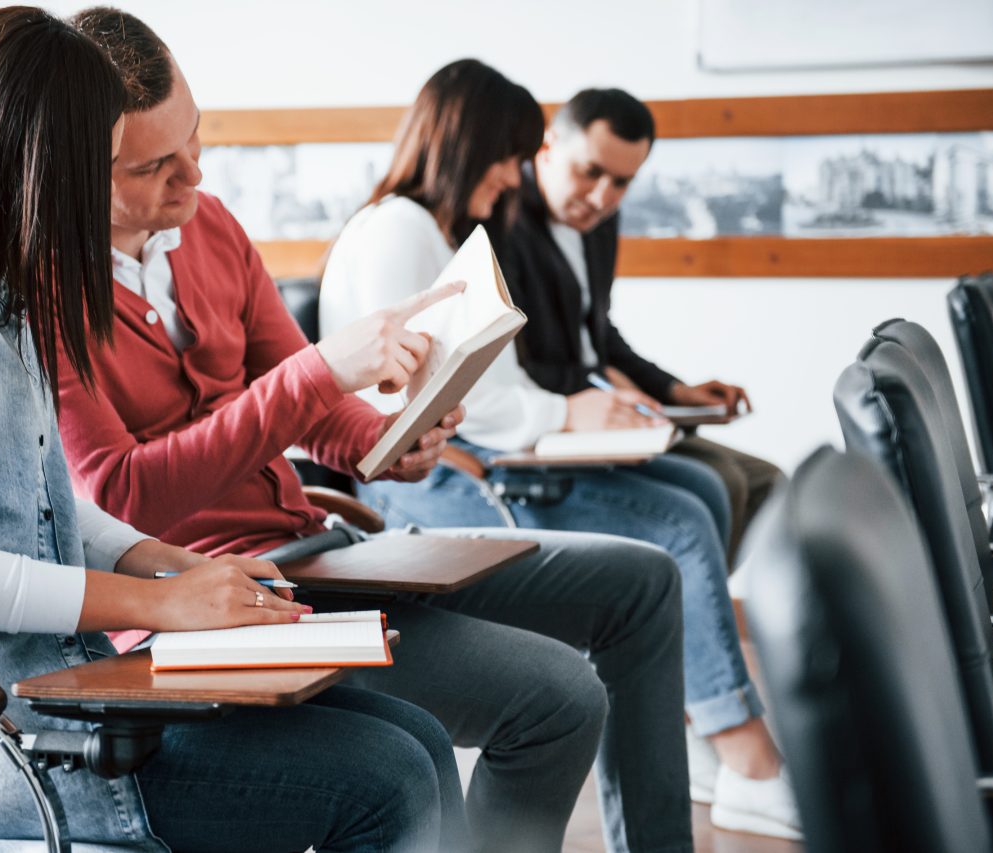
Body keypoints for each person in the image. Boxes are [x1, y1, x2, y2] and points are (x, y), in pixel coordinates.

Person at [0, 8, 467, 851]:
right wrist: (154, 602)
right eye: (111, 169)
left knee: (412, 738)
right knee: (387, 778)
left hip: (30, 690)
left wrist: (171, 563)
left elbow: (34, 491)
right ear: (36, 164)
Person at [59, 9, 691, 852]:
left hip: (312, 543)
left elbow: (311, 406)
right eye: (154, 167)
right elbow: (122, 491)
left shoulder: (210, 228)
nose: (195, 179)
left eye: (196, 142)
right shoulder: (47, 284)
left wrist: (387, 441)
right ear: (71, 169)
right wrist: (316, 376)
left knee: (643, 579)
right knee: (559, 696)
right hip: (211, 595)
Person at [319, 61, 801, 841]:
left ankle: (702, 721)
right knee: (677, 523)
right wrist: (565, 413)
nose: (517, 175)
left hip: (490, 449)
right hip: (451, 478)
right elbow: (417, 406)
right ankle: (735, 748)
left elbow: (503, 375)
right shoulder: (404, 232)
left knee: (702, 501)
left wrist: (603, 407)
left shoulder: (437, 231)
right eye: (512, 155)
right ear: (471, 146)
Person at [499, 87, 785, 569]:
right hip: (550, 420)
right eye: (590, 172)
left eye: (621, 182)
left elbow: (599, 335)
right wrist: (606, 387)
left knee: (769, 481)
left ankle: (682, 613)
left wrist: (675, 389)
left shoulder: (599, 222)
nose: (602, 197)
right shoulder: (500, 219)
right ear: (547, 148)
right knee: (725, 483)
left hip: (606, 407)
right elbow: (518, 364)